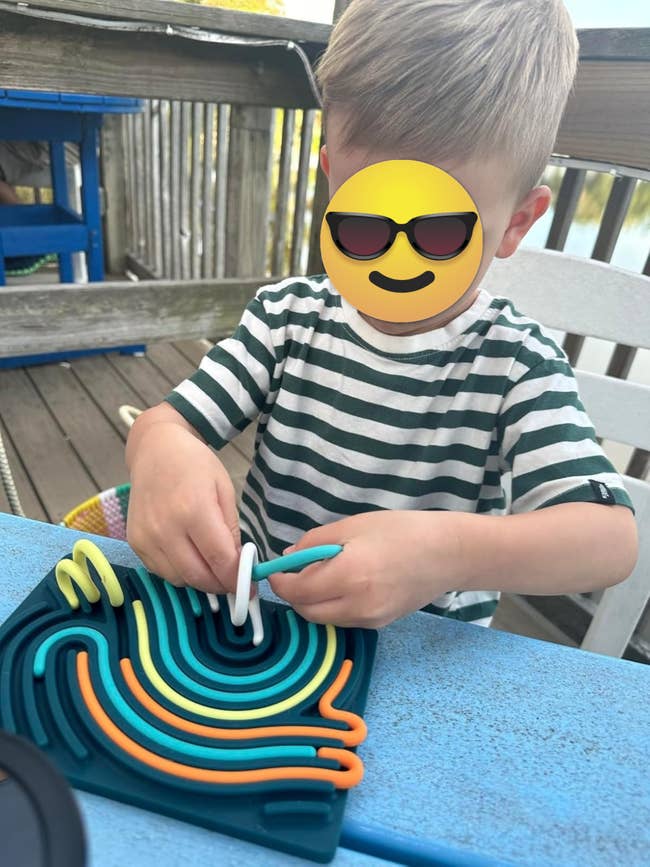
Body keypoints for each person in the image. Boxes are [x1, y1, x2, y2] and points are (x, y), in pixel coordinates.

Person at [125, 0, 638, 630]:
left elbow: (608, 540)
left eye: (439, 233)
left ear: (516, 223)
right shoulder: (285, 320)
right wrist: (161, 452)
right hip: (263, 621)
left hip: (418, 653)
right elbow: (165, 425)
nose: (395, 259)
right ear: (332, 182)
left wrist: (446, 552)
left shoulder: (516, 368)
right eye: (365, 225)